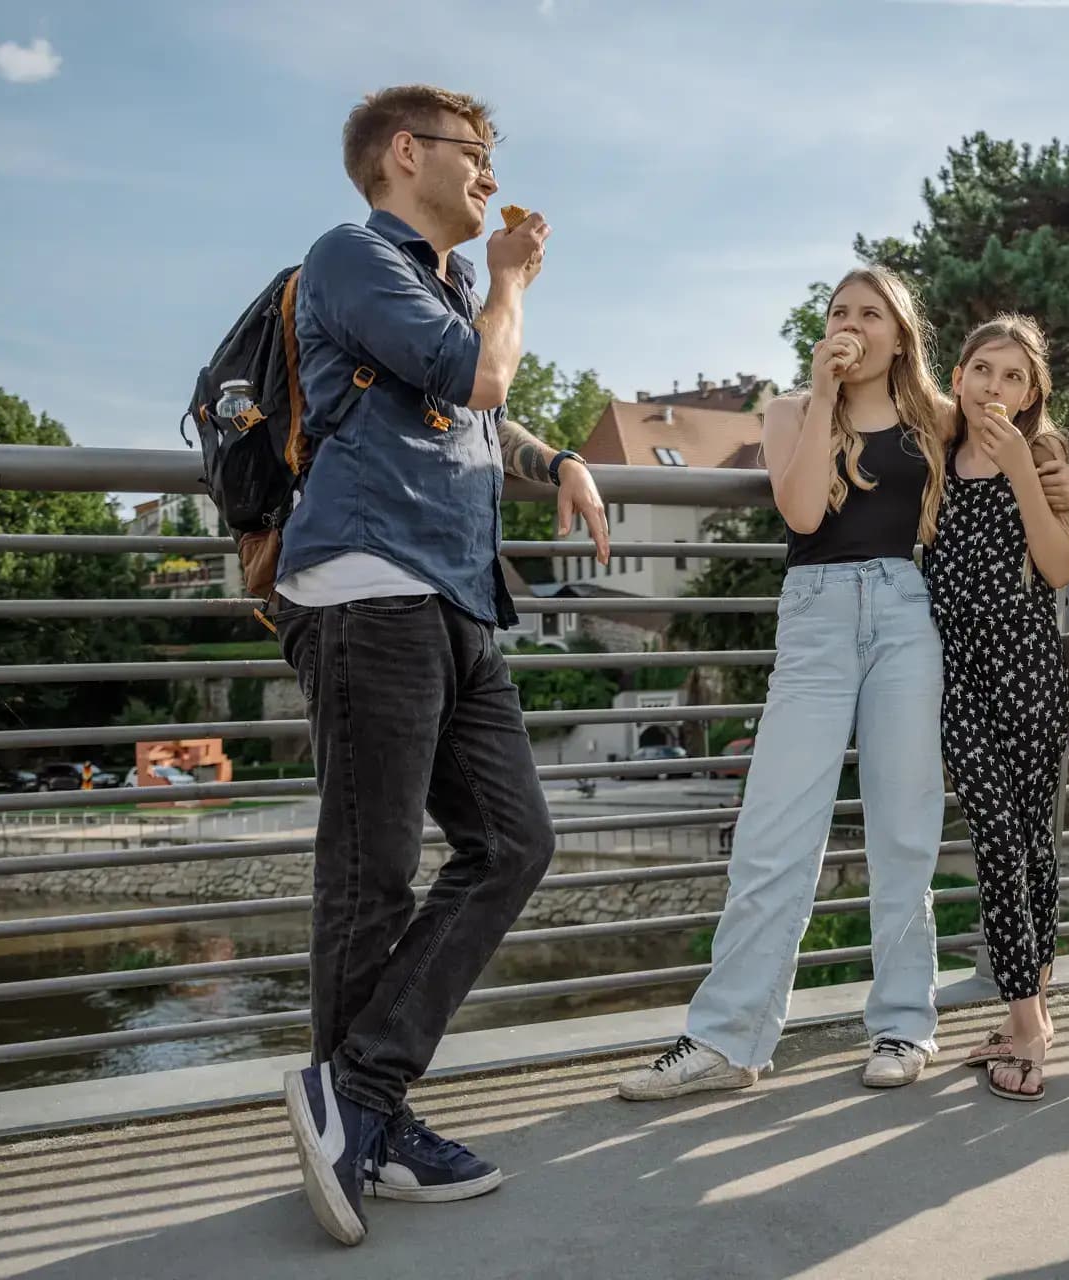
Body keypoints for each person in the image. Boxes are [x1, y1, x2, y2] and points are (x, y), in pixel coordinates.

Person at [271, 84, 609, 1246]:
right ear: (405, 154)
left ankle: (359, 1093)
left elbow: (475, 413)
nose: (488, 173)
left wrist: (557, 456)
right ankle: (366, 1109)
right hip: (369, 588)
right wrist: (515, 282)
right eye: (475, 153)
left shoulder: (440, 286)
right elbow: (478, 377)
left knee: (515, 839)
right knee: (370, 873)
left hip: (456, 599)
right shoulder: (354, 254)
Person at [617, 270, 1069, 1101]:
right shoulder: (793, 410)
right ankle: (728, 1038)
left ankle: (905, 1022)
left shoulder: (935, 416)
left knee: (905, 829)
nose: (852, 325)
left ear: (901, 335)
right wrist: (826, 389)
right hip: (818, 610)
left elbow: (1022, 454)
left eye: (871, 314)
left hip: (908, 614)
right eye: (840, 312)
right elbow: (800, 514)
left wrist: (1068, 482)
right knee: (773, 830)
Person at [927, 316, 1069, 1102]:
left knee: (1031, 845)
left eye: (1013, 376)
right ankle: (1028, 1019)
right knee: (995, 834)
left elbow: (1056, 570)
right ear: (958, 376)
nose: (995, 386)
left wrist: (1023, 466)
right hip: (952, 673)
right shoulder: (934, 459)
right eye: (983, 369)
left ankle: (1029, 1015)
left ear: (1031, 394)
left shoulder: (1044, 457)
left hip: (1024, 665)